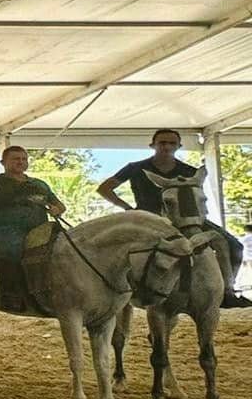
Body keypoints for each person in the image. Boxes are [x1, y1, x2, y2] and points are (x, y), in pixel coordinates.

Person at [97, 129, 247, 305]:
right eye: (162, 143)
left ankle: (226, 291)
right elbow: (104, 188)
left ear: (179, 146)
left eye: (171, 143)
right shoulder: (135, 168)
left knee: (234, 246)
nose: (167, 146)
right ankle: (113, 290)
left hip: (185, 220)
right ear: (153, 145)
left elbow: (196, 200)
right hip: (147, 220)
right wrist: (128, 209)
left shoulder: (189, 171)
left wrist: (197, 220)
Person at [0, 145, 66, 304]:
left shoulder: (39, 184)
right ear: (3, 162)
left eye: (24, 159)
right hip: (7, 229)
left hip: (40, 228)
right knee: (15, 250)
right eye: (15, 159)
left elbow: (60, 205)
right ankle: (12, 294)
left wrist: (57, 209)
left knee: (65, 248)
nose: (20, 162)